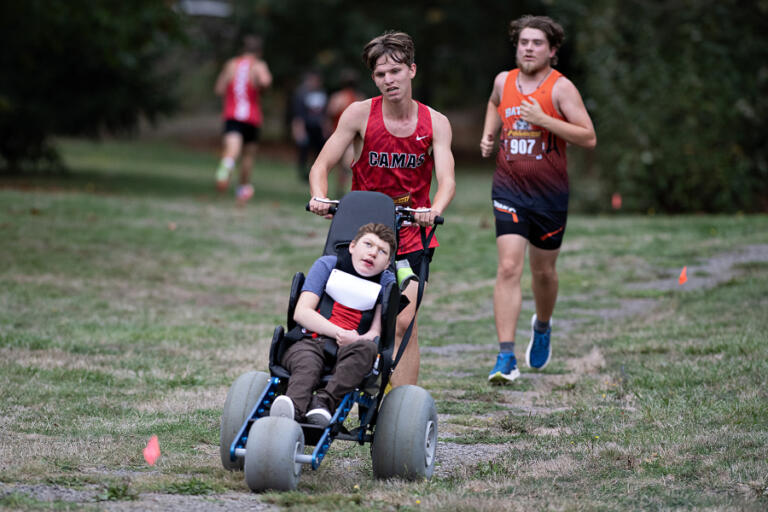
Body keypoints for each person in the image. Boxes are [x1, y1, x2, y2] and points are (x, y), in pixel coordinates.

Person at [308, 31, 456, 388]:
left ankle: (399, 405)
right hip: (361, 236)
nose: (389, 80)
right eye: (380, 74)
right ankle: (342, 383)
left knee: (404, 321)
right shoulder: (359, 114)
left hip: (409, 236)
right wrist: (319, 196)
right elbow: (320, 167)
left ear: (412, 70)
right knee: (347, 311)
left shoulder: (435, 122)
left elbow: (447, 181)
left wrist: (432, 209)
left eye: (395, 71)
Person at [480, 15, 596, 383]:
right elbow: (493, 102)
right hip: (509, 188)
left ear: (552, 51)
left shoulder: (560, 89)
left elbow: (587, 136)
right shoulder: (504, 80)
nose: (528, 48)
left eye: (537, 43)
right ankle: (505, 357)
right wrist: (488, 134)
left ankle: (542, 325)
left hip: (549, 195)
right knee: (509, 267)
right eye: (523, 42)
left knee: (543, 272)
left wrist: (543, 119)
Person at [269, 223, 397, 426]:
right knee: (307, 366)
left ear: (387, 262)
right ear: (352, 246)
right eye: (368, 244)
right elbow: (302, 312)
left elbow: (375, 333)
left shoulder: (386, 282)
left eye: (382, 251)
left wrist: (356, 339)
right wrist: (340, 332)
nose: (373, 253)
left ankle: (323, 404)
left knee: (368, 348)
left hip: (352, 350)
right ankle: (292, 409)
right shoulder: (328, 265)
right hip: (309, 341)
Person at [213, 34, 272, 203]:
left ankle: (224, 169)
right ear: (259, 51)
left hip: (232, 115)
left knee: (232, 150)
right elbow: (266, 81)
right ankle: (242, 190)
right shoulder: (259, 65)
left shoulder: (231, 64)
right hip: (251, 118)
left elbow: (218, 89)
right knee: (247, 156)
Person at [326, 69, 365, 196]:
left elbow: (330, 114)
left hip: (338, 136)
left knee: (341, 166)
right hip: (353, 138)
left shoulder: (337, 97)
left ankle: (342, 189)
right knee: (349, 165)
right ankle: (346, 190)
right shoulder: (360, 99)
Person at [291, 70, 328, 181]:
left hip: (318, 128)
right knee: (304, 150)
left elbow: (325, 113)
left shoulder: (322, 93)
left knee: (319, 152)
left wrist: (326, 128)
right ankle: (302, 173)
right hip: (306, 126)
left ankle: (314, 172)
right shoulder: (301, 93)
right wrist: (299, 130)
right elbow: (298, 114)